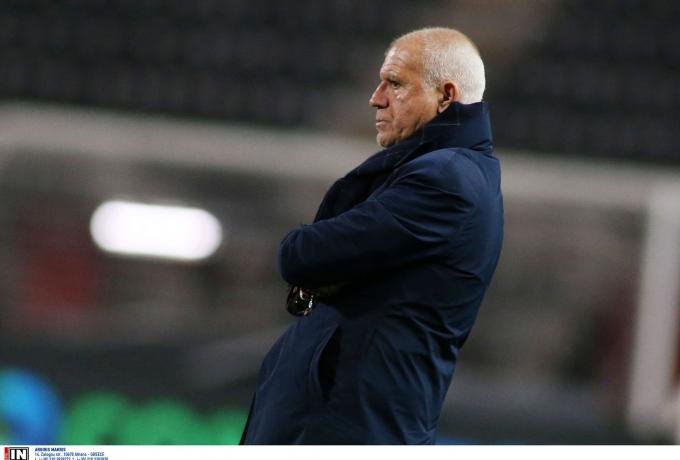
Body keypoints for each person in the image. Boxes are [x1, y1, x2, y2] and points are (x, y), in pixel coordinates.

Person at [240, 27, 503, 445]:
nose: (376, 98)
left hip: (354, 428)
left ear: (446, 96)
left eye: (395, 84)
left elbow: (304, 256)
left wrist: (308, 257)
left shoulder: (445, 178)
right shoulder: (444, 171)